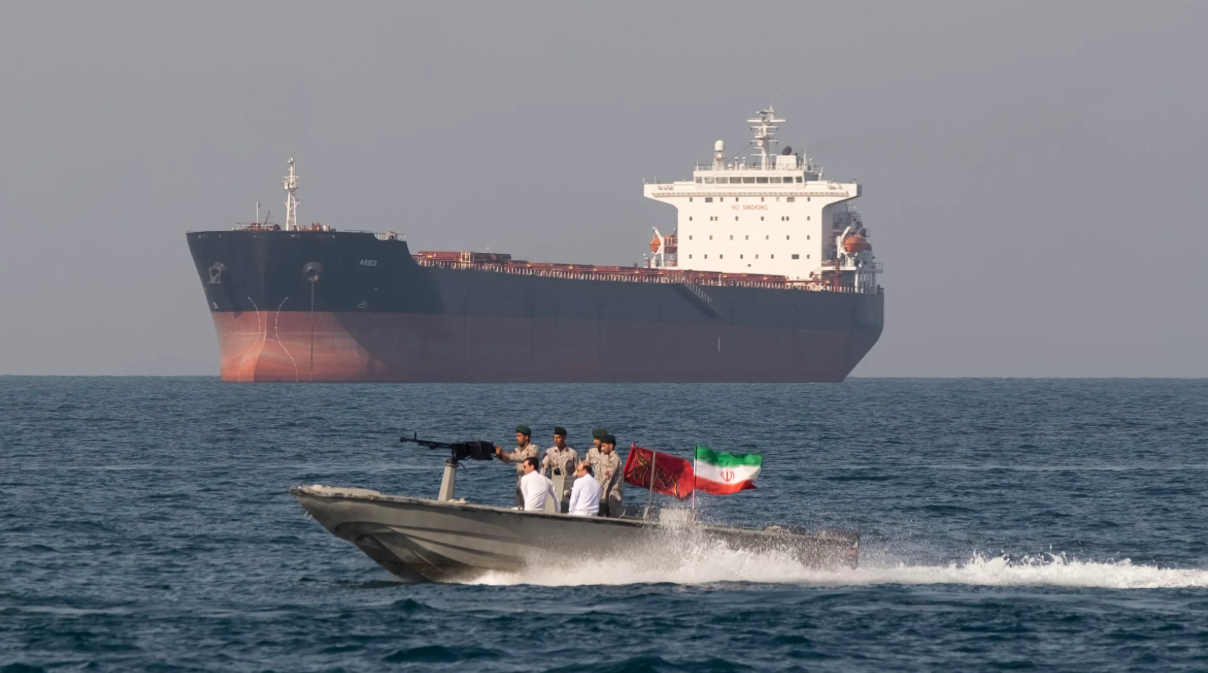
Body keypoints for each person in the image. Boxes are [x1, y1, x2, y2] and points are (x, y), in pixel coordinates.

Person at [496, 425, 539, 507]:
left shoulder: (533, 448)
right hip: (520, 486)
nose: (516, 438)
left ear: (526, 437)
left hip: (532, 486)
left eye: (519, 436)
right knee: (517, 508)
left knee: (530, 509)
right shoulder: (517, 450)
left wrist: (504, 453)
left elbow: (524, 458)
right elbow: (508, 459)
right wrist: (499, 455)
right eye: (516, 436)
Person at [586, 434, 623, 517]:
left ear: (610, 446)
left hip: (613, 496)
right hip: (606, 494)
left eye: (603, 446)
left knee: (613, 521)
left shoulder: (614, 459)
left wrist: (595, 487)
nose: (602, 449)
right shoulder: (608, 457)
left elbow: (608, 476)